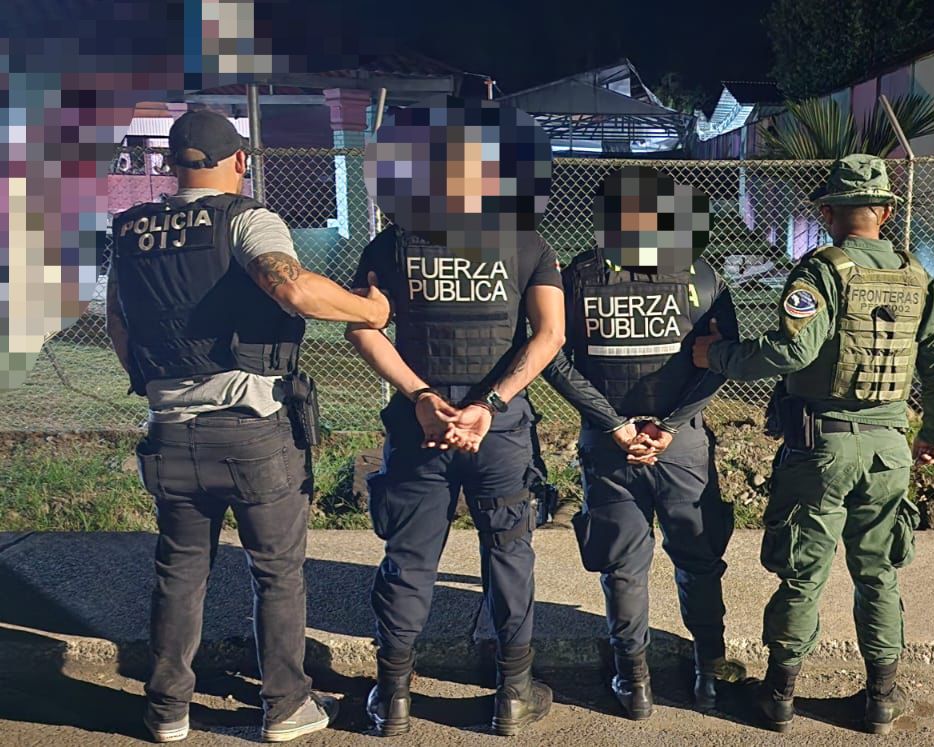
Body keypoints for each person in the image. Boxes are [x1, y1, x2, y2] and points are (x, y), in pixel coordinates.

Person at [105, 109, 391, 743]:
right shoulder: (246, 218)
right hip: (251, 428)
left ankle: (166, 711)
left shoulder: (128, 230)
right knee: (277, 572)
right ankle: (286, 707)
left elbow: (119, 323)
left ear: (173, 163)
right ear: (239, 160)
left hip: (169, 429)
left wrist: (156, 387)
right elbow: (292, 290)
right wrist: (371, 310)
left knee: (179, 573)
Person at [693, 154, 934, 735]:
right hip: (889, 451)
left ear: (827, 213)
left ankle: (779, 697)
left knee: (802, 574)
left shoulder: (821, 271)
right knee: (879, 573)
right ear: (885, 212)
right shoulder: (918, 276)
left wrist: (715, 356)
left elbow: (791, 351)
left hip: (823, 450)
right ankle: (881, 701)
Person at [345, 224, 565, 737]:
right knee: (509, 554)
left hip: (420, 427)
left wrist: (421, 396)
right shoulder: (526, 242)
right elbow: (550, 334)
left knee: (409, 558)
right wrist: (490, 404)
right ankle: (514, 695)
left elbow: (361, 326)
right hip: (499, 431)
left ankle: (394, 696)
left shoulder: (392, 244)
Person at [542, 166, 743, 720]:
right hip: (681, 447)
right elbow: (722, 361)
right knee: (699, 559)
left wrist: (612, 423)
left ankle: (635, 685)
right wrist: (671, 426)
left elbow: (552, 358)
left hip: (610, 446)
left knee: (623, 566)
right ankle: (709, 675)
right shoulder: (702, 275)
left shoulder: (578, 276)